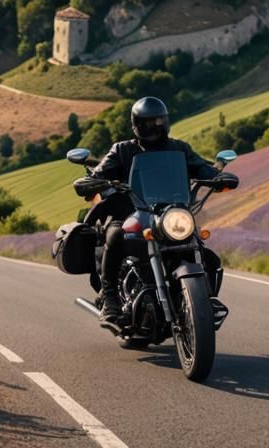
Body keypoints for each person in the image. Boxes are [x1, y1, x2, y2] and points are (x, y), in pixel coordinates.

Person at [84, 96, 224, 326]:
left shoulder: (179, 148)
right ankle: (109, 298)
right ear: (138, 124)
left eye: (161, 120)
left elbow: (201, 167)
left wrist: (217, 177)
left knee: (202, 249)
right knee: (115, 234)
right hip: (133, 215)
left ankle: (205, 300)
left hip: (170, 213)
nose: (157, 126)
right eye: (151, 122)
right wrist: (94, 181)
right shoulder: (122, 150)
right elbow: (101, 172)